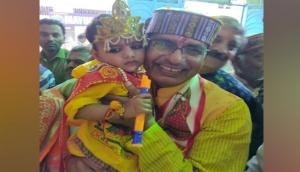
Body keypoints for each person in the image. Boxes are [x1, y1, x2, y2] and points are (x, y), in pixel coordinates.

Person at [63, 0, 150, 171]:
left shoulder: (144, 70)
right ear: (97, 54)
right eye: (115, 50)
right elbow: (76, 107)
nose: (129, 54)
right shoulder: (104, 73)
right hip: (100, 146)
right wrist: (123, 111)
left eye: (137, 46)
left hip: (135, 142)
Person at [199, 16, 263, 159]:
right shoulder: (166, 73)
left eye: (232, 46)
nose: (222, 50)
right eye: (216, 39)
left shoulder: (238, 95)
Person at [40, 18, 70, 85]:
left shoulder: (73, 60)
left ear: (64, 38)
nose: (50, 39)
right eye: (44, 35)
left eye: (55, 35)